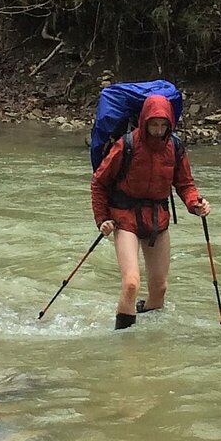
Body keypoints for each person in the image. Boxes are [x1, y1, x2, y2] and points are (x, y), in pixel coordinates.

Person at [90, 92, 211, 330]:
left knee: (160, 288)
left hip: (157, 219)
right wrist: (102, 219)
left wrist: (195, 204)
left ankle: (148, 340)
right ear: (144, 121)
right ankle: (123, 339)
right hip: (125, 218)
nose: (157, 130)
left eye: (162, 125)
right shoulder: (126, 145)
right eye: (153, 124)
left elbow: (184, 184)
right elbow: (99, 182)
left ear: (169, 124)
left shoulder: (175, 147)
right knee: (131, 283)